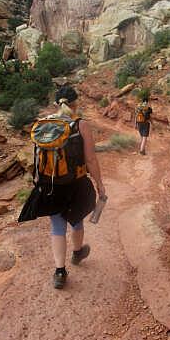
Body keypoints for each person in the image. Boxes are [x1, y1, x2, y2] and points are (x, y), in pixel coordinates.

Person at [18, 85, 106, 289]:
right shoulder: (80, 124)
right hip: (75, 182)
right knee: (76, 218)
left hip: (49, 184)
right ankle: (77, 252)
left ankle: (59, 271)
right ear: (75, 103)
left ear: (56, 104)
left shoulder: (43, 123)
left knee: (57, 225)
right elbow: (91, 160)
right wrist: (99, 184)